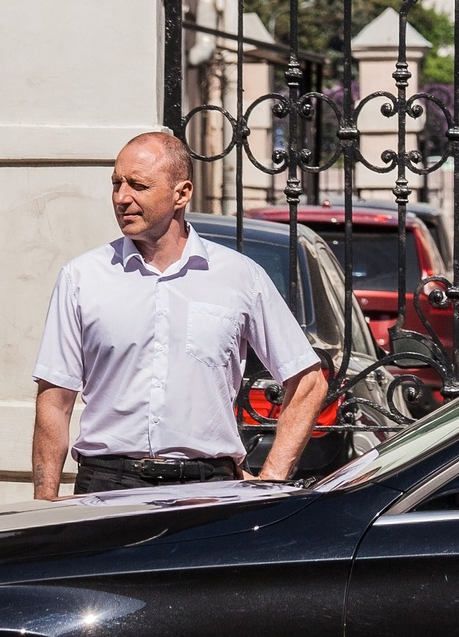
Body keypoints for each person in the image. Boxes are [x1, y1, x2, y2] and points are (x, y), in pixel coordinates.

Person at [31, 131, 329, 498]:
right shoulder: (82, 277)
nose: (122, 198)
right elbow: (55, 400)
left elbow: (309, 381)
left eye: (138, 185)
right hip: (107, 486)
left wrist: (271, 479)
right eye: (116, 184)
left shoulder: (239, 277)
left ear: (182, 193)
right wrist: (45, 504)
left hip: (208, 487)